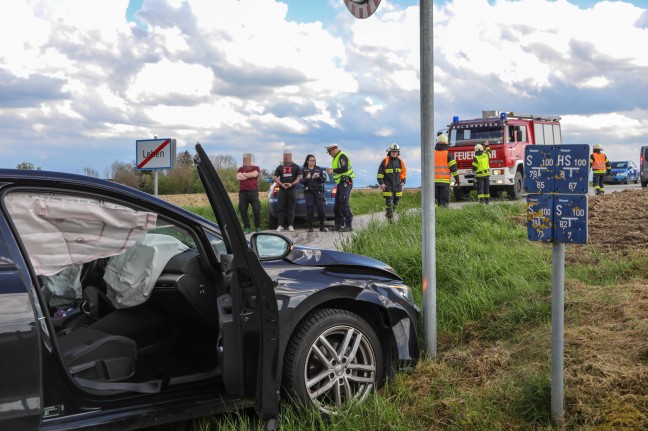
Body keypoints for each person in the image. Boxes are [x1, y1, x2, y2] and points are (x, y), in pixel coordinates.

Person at [325, 144, 354, 232]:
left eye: (330, 151)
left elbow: (344, 168)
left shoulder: (342, 156)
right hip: (340, 183)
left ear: (335, 149)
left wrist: (333, 170)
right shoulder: (336, 158)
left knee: (344, 203)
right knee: (337, 205)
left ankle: (349, 225)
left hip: (345, 182)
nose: (329, 154)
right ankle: (337, 225)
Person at [272, 151, 302, 232]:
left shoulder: (296, 167)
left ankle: (290, 225)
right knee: (281, 207)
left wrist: (291, 184)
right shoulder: (280, 167)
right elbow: (274, 177)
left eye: (288, 157)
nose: (286, 158)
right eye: (285, 157)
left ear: (291, 157)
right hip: (282, 189)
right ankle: (280, 225)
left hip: (292, 189)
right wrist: (281, 184)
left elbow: (299, 178)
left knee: (291, 208)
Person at [377, 143, 406, 222]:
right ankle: (390, 219)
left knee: (396, 202)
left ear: (398, 152)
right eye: (393, 151)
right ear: (390, 152)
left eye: (396, 151)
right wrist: (381, 183)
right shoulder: (385, 161)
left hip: (397, 186)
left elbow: (403, 172)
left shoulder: (400, 162)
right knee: (389, 202)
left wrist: (403, 181)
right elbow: (380, 174)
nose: (394, 153)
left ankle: (390, 214)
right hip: (388, 186)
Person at [301, 154, 328, 232]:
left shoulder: (318, 169)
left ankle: (322, 226)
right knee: (310, 208)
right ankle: (310, 227)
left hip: (318, 191)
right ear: (307, 161)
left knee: (321, 207)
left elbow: (323, 180)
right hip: (309, 191)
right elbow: (301, 181)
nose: (313, 162)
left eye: (314, 160)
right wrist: (307, 178)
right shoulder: (303, 170)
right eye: (311, 160)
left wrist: (318, 177)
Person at [236, 153, 261, 233]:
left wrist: (244, 175)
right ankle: (247, 227)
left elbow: (255, 174)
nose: (246, 161)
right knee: (243, 210)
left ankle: (258, 227)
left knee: (256, 209)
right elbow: (238, 177)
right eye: (245, 159)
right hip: (243, 193)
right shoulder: (240, 168)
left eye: (248, 159)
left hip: (253, 192)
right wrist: (249, 175)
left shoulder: (256, 167)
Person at [434, 134, 459, 207]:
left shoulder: (432, 153)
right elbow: (453, 168)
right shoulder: (448, 154)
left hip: (432, 182)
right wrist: (457, 179)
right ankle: (443, 215)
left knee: (434, 202)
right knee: (444, 202)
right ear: (446, 143)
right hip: (444, 182)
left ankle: (434, 216)